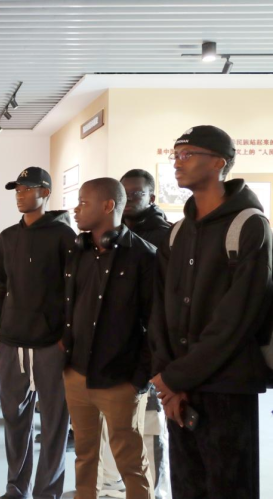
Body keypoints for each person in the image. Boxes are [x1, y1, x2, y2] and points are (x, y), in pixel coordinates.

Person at [150, 126, 273, 499]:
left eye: (188, 154)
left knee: (228, 486)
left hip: (226, 385)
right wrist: (167, 377)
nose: (177, 163)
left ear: (219, 163)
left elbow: (237, 320)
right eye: (175, 155)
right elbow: (160, 309)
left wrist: (175, 377)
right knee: (186, 487)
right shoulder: (177, 232)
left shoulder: (249, 225)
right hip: (179, 389)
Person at [0, 167, 74, 499]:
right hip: (11, 342)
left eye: (27, 188)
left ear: (45, 192)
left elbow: (73, 291)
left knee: (53, 423)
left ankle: (47, 492)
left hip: (50, 345)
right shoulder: (8, 237)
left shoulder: (65, 236)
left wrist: (66, 337)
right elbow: (0, 286)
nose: (20, 195)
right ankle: (16, 487)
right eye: (17, 189)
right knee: (14, 419)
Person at [62, 178, 155, 499]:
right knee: (84, 454)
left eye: (83, 202)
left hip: (121, 379)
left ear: (108, 206)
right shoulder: (78, 252)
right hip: (76, 373)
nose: (76, 209)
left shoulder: (143, 256)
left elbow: (155, 324)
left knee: (131, 461)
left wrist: (139, 379)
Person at [94, 169, 172, 498]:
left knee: (148, 428)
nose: (128, 199)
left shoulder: (165, 237)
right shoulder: (109, 234)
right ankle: (110, 486)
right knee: (111, 427)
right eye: (124, 193)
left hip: (147, 351)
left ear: (151, 197)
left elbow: (164, 305)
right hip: (111, 350)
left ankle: (154, 491)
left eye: (136, 193)